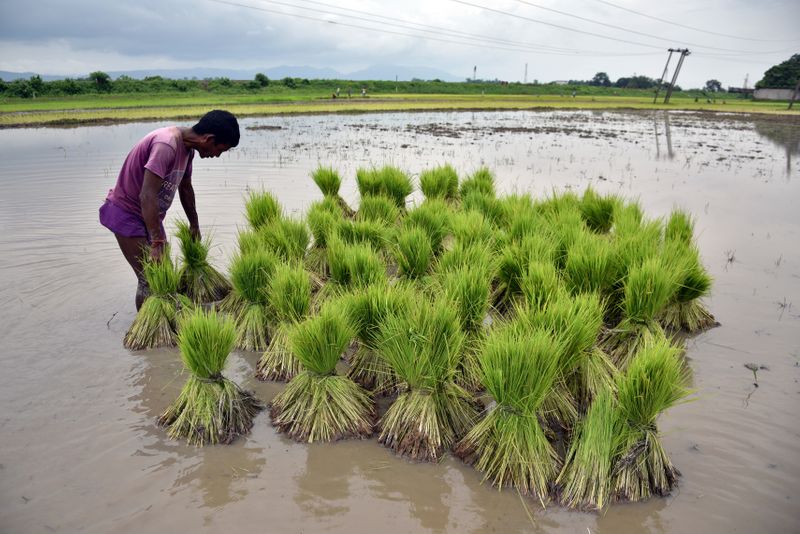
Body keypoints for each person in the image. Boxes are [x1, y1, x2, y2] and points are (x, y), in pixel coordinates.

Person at [99, 109, 240, 310]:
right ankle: (147, 332)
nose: (217, 155)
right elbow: (146, 195)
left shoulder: (188, 150)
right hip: (127, 213)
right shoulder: (166, 145)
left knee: (165, 278)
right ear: (208, 139)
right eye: (220, 150)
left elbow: (185, 187)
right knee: (150, 279)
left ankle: (168, 330)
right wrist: (157, 241)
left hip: (149, 217)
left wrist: (194, 223)